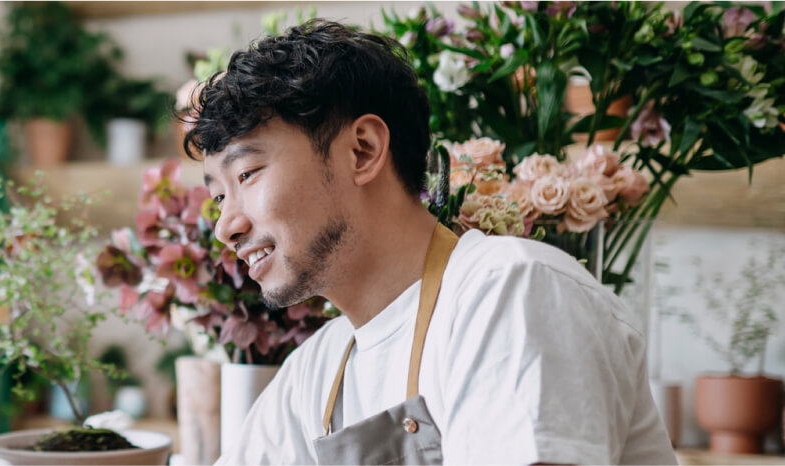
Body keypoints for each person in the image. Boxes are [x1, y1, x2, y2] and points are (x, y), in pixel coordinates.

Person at [190, 20, 677, 464]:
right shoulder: (314, 371)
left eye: (247, 174)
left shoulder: (509, 292)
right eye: (218, 198)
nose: (225, 226)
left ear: (363, 151)